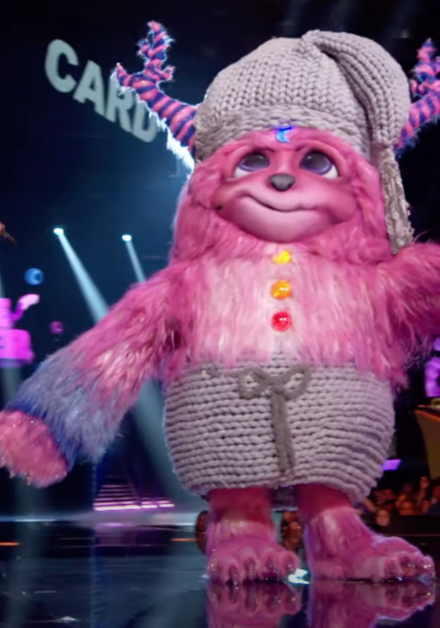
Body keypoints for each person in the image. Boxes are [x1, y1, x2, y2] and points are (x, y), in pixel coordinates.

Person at [0, 23, 439, 583]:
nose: (283, 178)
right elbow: (114, 346)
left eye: (316, 161)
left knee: (332, 500)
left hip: (341, 435)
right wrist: (49, 418)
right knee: (238, 499)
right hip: (223, 437)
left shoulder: (365, 278)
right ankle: (238, 526)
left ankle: (337, 531)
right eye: (254, 160)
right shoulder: (192, 282)